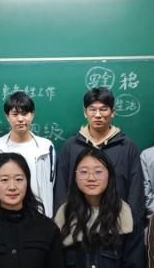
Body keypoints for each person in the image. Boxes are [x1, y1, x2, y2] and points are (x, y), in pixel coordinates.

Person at [54, 87, 145, 223]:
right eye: (92, 109)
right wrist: (63, 223)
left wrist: (132, 223)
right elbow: (62, 188)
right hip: (78, 224)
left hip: (117, 223)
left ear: (112, 112)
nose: (97, 115)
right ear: (85, 112)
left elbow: (136, 190)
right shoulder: (71, 146)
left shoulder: (127, 146)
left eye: (103, 109)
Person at [0, 91, 56, 217]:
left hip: (41, 217)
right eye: (15, 114)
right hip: (4, 218)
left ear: (32, 115)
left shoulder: (46, 148)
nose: (20, 119)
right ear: (7, 117)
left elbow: (53, 185)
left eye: (25, 114)